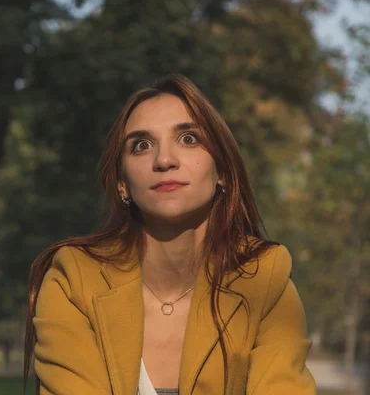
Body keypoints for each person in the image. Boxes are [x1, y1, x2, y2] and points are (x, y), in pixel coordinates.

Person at [23, 73, 316, 395]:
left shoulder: (265, 277)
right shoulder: (74, 279)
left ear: (223, 172)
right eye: (141, 146)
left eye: (189, 139)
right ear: (122, 184)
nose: (164, 160)